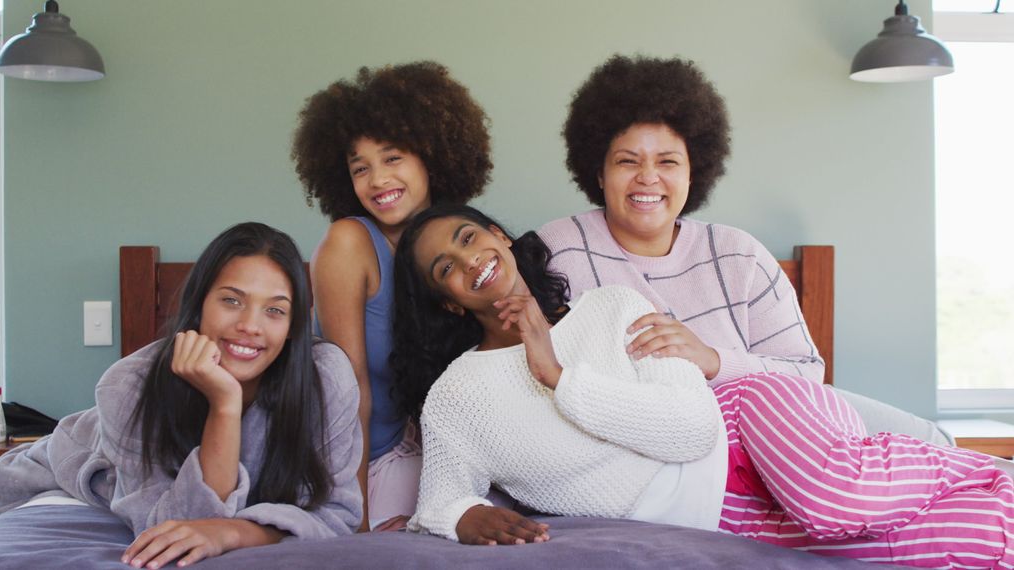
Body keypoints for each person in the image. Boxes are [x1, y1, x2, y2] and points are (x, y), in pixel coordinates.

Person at [391, 204, 1014, 567]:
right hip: (716, 513)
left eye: (470, 237)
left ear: (500, 237)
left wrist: (557, 376)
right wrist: (463, 517)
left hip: (745, 424)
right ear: (445, 301)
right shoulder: (456, 396)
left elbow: (691, 429)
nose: (470, 259)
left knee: (834, 501)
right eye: (445, 266)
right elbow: (442, 500)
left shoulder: (609, 306)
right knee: (918, 551)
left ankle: (974, 469)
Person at [0, 222, 362, 568]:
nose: (250, 326)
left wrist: (232, 532)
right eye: (231, 300)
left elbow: (339, 515)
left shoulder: (325, 377)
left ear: (295, 325)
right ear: (198, 306)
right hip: (61, 475)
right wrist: (224, 404)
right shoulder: (128, 384)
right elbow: (174, 526)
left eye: (274, 311)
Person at [290, 60, 492, 531]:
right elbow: (347, 388)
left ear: (431, 155)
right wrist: (354, 521)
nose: (377, 180)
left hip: (450, 461)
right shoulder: (349, 243)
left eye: (393, 157)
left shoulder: (461, 243)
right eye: (360, 168)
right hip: (368, 464)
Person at [538, 55, 823, 386]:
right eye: (627, 161)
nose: (647, 177)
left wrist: (711, 360)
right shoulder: (557, 248)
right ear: (599, 173)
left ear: (694, 173)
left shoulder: (741, 256)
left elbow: (808, 373)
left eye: (668, 162)